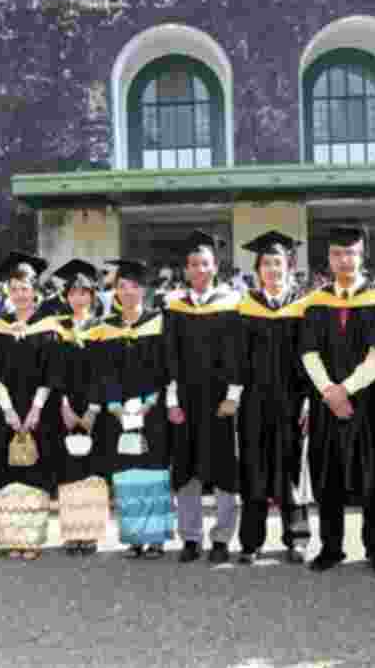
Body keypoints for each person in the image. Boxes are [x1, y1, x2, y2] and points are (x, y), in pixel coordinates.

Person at [300, 225, 375, 573]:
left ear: (361, 255)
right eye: (338, 254)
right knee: (328, 475)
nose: (344, 260)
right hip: (327, 404)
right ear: (328, 258)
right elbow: (308, 353)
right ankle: (331, 546)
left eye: (351, 253)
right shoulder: (315, 302)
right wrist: (329, 391)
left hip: (369, 403)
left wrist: (345, 390)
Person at [164, 230, 243, 564]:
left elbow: (238, 354)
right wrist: (171, 400)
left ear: (215, 266)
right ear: (186, 269)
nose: (199, 269)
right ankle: (191, 538)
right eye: (193, 264)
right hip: (185, 397)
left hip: (219, 399)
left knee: (224, 467)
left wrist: (233, 395)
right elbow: (169, 356)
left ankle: (222, 538)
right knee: (186, 468)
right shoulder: (174, 305)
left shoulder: (231, 303)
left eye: (205, 263)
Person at [235, 231, 311, 565]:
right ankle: (251, 541)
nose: (272, 269)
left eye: (278, 262)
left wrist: (309, 399)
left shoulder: (304, 305)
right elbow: (237, 358)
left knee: (291, 468)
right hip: (254, 402)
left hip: (292, 401)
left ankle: (296, 538)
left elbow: (311, 356)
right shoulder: (245, 306)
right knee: (254, 468)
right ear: (257, 268)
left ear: (289, 265)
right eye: (266, 263)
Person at [95, 259, 175, 559]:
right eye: (122, 286)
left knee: (153, 469)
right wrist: (115, 405)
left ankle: (155, 537)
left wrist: (149, 403)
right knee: (127, 471)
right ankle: (134, 537)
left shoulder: (158, 322)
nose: (128, 292)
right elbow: (104, 372)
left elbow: (166, 366)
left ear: (144, 290)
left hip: (151, 410)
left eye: (134, 286)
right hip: (118, 413)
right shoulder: (107, 328)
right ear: (115, 291)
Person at [0, 251, 60, 561]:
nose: (20, 294)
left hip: (38, 412)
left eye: (25, 288)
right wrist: (9, 411)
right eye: (14, 288)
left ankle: (33, 539)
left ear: (35, 291)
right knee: (8, 474)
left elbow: (51, 372)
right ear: (8, 291)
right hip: (9, 415)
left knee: (35, 473)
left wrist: (35, 409)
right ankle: (12, 539)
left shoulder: (47, 326)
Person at [50, 259, 109, 556]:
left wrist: (93, 410)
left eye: (84, 292)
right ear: (67, 297)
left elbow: (105, 372)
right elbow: (54, 370)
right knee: (69, 470)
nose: (79, 297)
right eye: (73, 292)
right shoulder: (58, 329)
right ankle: (73, 533)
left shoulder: (103, 329)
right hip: (66, 408)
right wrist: (63, 405)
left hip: (93, 410)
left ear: (93, 296)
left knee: (91, 470)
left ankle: (91, 533)